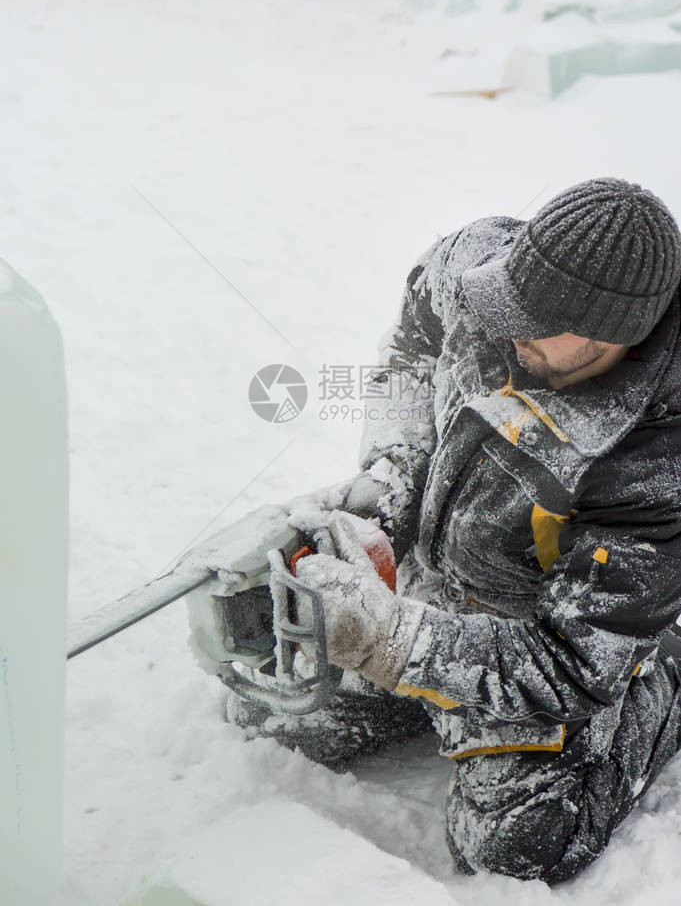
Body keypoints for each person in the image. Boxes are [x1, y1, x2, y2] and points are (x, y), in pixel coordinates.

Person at [229, 177, 681, 883]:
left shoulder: (657, 462)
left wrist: (389, 640)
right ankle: (425, 682)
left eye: (533, 322)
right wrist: (393, 474)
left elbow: (565, 664)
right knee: (265, 714)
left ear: (605, 337)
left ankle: (663, 679)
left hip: (539, 627)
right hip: (437, 584)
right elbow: (410, 353)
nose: (507, 325)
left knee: (516, 845)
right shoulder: (481, 273)